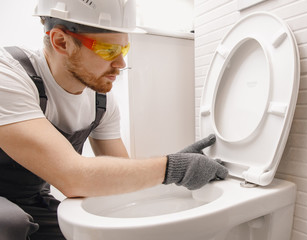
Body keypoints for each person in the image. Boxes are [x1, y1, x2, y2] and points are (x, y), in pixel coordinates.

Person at [0, 0, 228, 239]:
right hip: (8, 213)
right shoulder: (10, 76)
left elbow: (120, 177)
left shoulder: (101, 103)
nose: (121, 64)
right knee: (10, 222)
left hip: (31, 200)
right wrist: (172, 167)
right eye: (108, 50)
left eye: (124, 50)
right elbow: (72, 177)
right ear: (61, 42)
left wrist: (176, 164)